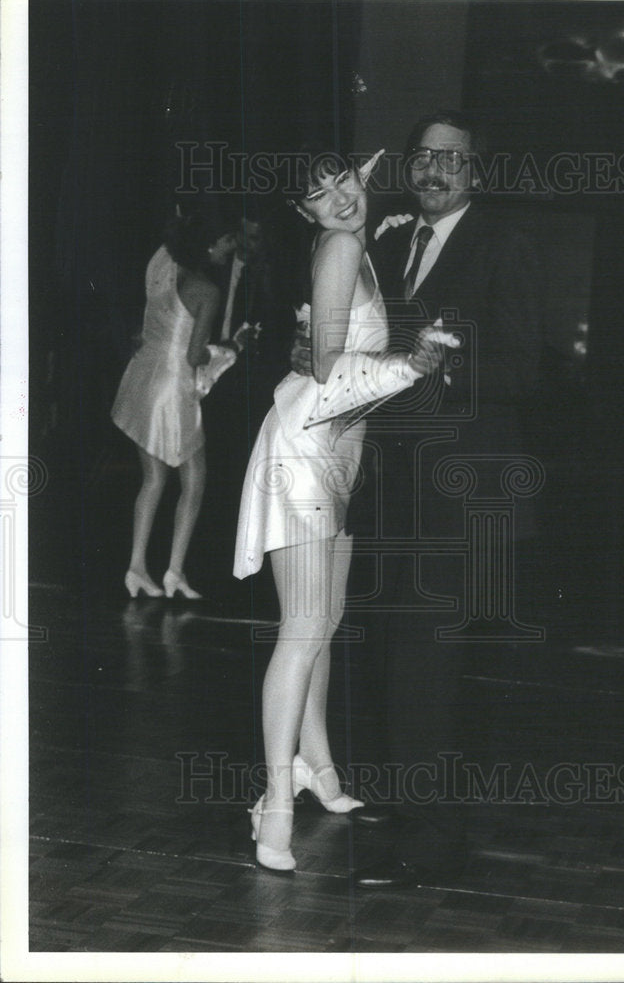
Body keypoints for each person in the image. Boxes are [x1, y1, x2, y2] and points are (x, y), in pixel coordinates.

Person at [294, 111, 545, 888]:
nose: (436, 171)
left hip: (464, 498)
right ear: (408, 170)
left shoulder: (505, 243)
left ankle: (430, 844)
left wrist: (437, 364)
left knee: (425, 668)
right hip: (389, 493)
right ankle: (411, 807)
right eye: (424, 159)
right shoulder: (388, 243)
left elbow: (523, 373)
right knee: (399, 664)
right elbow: (357, 359)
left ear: (476, 172)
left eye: (453, 160)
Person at [233, 148, 454, 873]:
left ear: (362, 176)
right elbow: (330, 369)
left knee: (322, 623)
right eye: (320, 195)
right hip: (305, 450)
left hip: (339, 453)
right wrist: (411, 365)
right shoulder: (337, 245)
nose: (340, 199)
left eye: (345, 181)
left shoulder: (358, 244)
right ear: (305, 213)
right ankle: (274, 803)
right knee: (302, 629)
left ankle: (317, 768)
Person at [111, 211, 238, 600]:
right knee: (194, 481)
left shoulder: (160, 267)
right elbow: (196, 354)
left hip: (141, 375)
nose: (230, 248)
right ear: (209, 245)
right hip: (171, 387)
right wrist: (230, 350)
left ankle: (137, 567)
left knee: (153, 480)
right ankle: (174, 571)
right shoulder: (207, 291)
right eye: (226, 241)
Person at [199, 202, 293, 597]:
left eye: (255, 237)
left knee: (235, 468)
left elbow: (275, 335)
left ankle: (233, 566)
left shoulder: (272, 275)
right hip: (207, 370)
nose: (247, 244)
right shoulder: (213, 266)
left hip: (245, 383)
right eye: (243, 235)